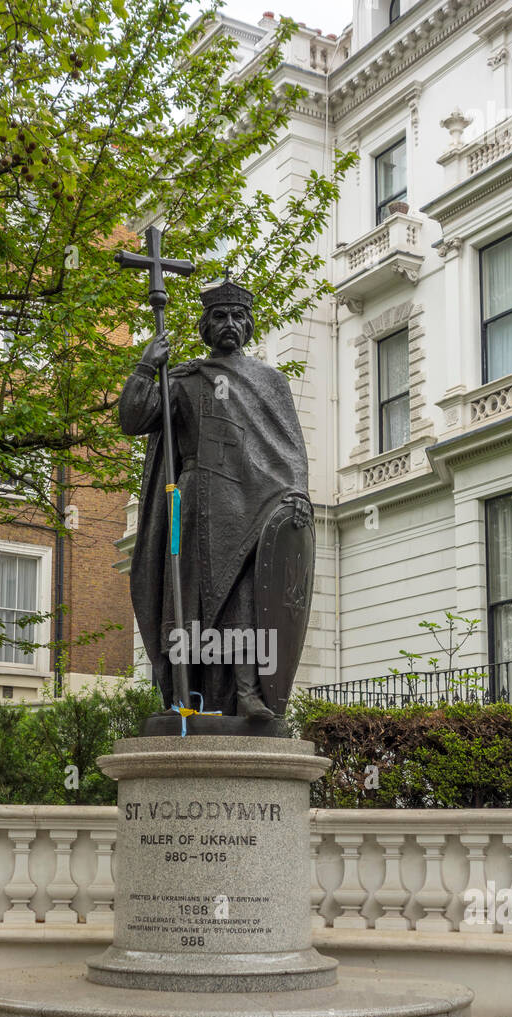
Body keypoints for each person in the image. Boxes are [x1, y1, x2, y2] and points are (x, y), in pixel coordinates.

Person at [120, 280, 313, 720]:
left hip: (255, 506)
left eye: (238, 317)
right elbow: (133, 420)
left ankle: (247, 692)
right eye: (220, 317)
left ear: (249, 326)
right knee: (184, 601)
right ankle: (181, 700)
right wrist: (145, 367)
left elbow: (291, 451)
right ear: (207, 327)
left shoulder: (271, 382)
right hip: (191, 508)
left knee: (245, 599)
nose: (230, 324)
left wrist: (298, 495)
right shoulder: (185, 379)